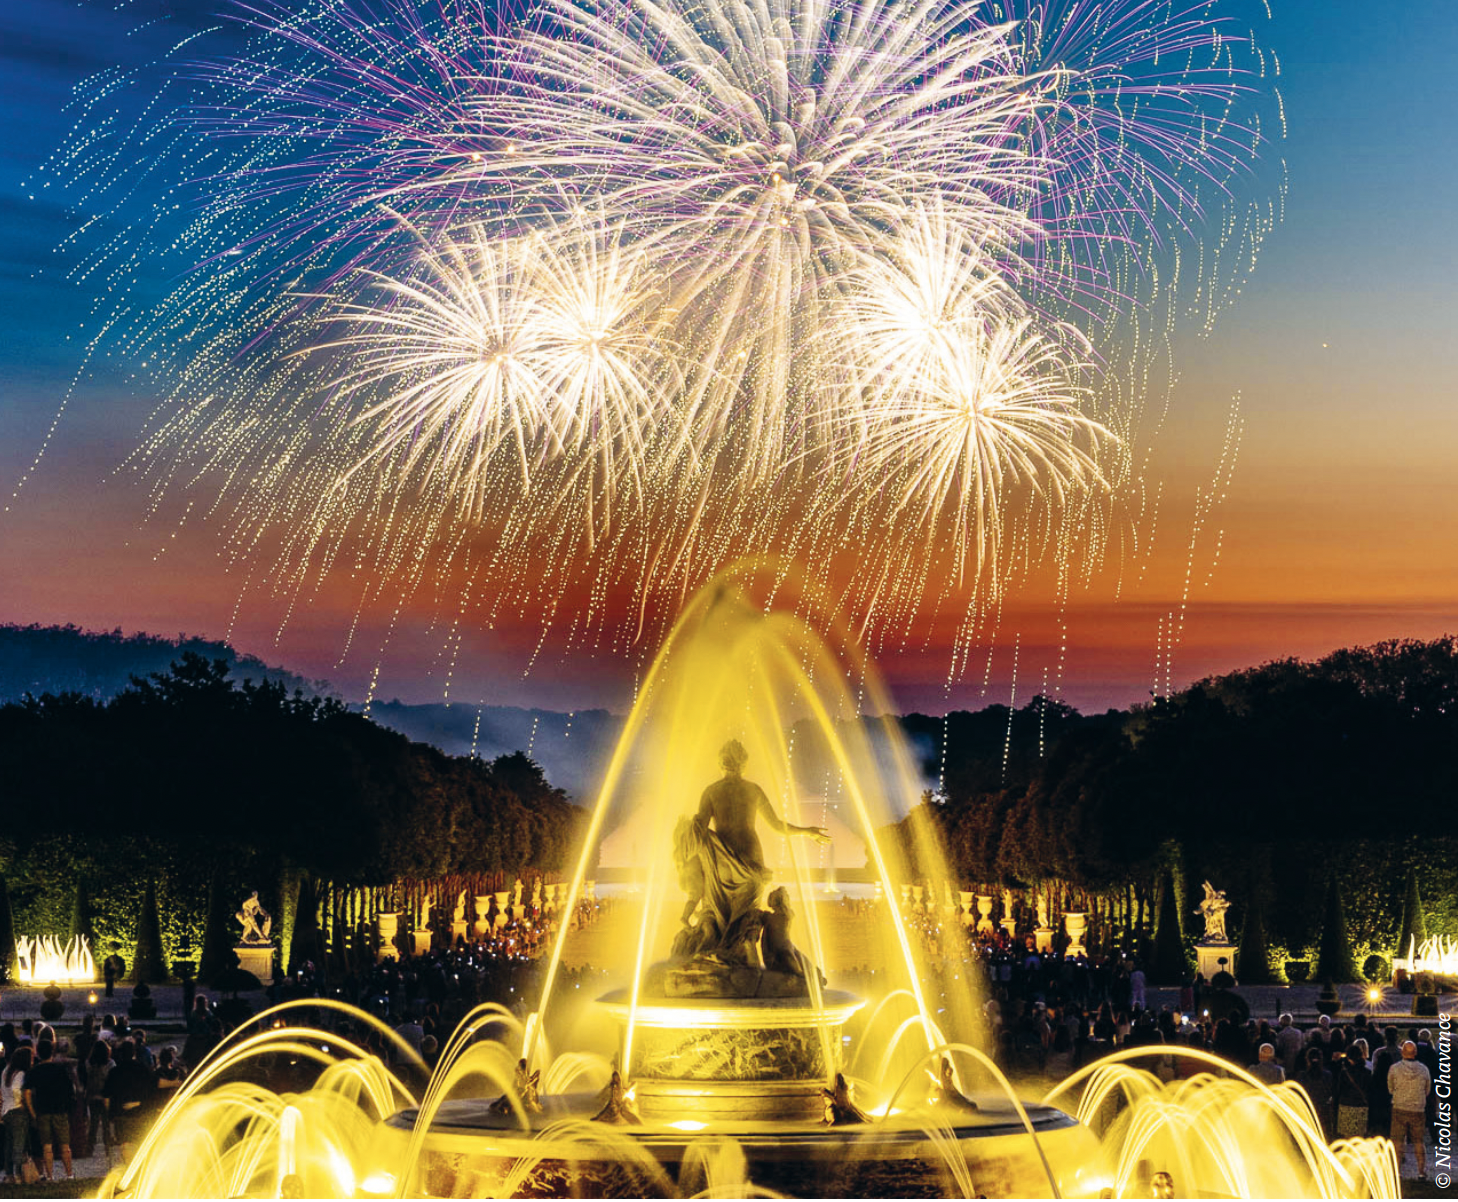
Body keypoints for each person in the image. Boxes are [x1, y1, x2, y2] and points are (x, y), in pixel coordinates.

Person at [673, 740, 829, 964]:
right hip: (751, 857)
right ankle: (744, 953)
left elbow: (700, 833)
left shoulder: (711, 791)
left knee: (718, 914)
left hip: (722, 863)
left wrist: (683, 854)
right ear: (744, 764)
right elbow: (776, 825)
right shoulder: (753, 790)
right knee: (747, 914)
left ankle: (717, 957)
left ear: (721, 762)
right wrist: (806, 832)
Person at [24, 1040, 76, 1182]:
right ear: (52, 1052)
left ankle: (50, 1176)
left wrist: (32, 1111)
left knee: (47, 1146)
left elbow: (27, 1092)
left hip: (42, 1110)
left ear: (38, 1053)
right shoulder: (60, 1069)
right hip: (59, 1109)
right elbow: (70, 1090)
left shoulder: (34, 1071)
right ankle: (70, 1174)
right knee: (65, 1145)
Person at [103, 1042, 153, 1165]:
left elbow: (107, 1095)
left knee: (124, 1143)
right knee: (139, 1141)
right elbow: (151, 1092)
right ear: (134, 1054)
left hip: (121, 1113)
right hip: (139, 1113)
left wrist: (110, 1114)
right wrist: (139, 1104)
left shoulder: (114, 1072)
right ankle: (139, 1167)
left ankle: (128, 1166)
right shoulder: (143, 1069)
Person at [1388, 1040, 1432, 1180]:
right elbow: (1427, 1090)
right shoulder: (1424, 1069)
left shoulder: (1394, 1068)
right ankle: (1421, 1171)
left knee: (1397, 1141)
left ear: (1402, 1052)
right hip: (1417, 1108)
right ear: (1415, 1053)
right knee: (1419, 1141)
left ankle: (1397, 1171)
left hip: (1399, 1107)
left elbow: (1390, 1088)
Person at [1, 1046, 33, 1184]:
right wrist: (21, 1102)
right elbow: (16, 1089)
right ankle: (19, 1174)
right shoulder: (20, 1074)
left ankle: (9, 1175)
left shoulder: (6, 1071)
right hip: (17, 1110)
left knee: (9, 1145)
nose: (32, 1062)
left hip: (6, 1111)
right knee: (19, 1144)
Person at [1297, 1047, 1335, 1140]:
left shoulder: (1302, 1076)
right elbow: (1330, 1091)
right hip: (1323, 1110)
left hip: (1308, 1109)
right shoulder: (1328, 1075)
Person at [84, 1041, 114, 1159]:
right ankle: (108, 1148)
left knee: (93, 1124)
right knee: (106, 1123)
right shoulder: (110, 1063)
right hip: (106, 1096)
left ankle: (90, 1148)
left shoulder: (89, 1063)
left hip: (92, 1096)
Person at [1335, 1044, 1371, 1139]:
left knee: (1347, 1138)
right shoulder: (1367, 1072)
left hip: (1346, 1106)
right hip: (1361, 1106)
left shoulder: (1344, 1072)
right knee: (1360, 1138)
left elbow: (1339, 1090)